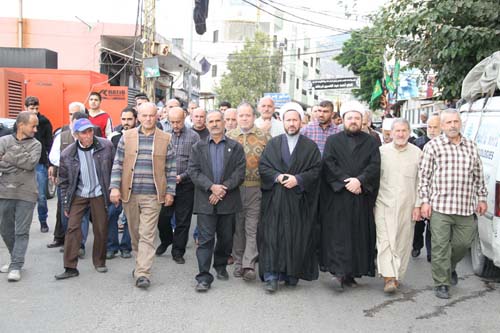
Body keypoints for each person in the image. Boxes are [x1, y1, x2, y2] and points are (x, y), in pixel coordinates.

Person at [418, 109, 487, 299]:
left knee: (463, 244)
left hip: (465, 207)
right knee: (440, 246)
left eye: (456, 121)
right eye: (448, 122)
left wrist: (481, 198)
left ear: (460, 123)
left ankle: (449, 267)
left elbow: (478, 176)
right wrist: (425, 201)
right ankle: (441, 283)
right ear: (442, 126)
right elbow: (424, 177)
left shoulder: (471, 147)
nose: (453, 125)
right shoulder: (433, 147)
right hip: (440, 207)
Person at [110, 102, 176, 289]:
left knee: (147, 234)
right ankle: (141, 261)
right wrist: (114, 187)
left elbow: (171, 168)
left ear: (157, 117)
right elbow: (118, 163)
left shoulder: (166, 138)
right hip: (130, 193)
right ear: (138, 117)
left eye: (151, 115)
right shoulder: (127, 136)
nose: (148, 119)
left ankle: (142, 273)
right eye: (144, 115)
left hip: (153, 196)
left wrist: (170, 191)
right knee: (135, 233)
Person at [258, 102, 322, 294]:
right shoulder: (273, 143)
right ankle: (271, 276)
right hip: (275, 199)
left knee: (295, 237)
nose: (292, 123)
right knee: (272, 237)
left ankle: (290, 273)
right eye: (288, 120)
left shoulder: (310, 147)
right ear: (283, 121)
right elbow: (263, 167)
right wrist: (277, 177)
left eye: (295, 120)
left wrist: (298, 179)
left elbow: (316, 170)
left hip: (298, 201)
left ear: (301, 122)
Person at [320, 100, 381, 291]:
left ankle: (352, 273)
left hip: (361, 197)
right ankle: (339, 273)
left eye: (357, 118)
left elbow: (374, 165)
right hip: (338, 196)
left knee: (358, 235)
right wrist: (347, 181)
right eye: (349, 118)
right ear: (343, 120)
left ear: (362, 121)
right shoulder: (333, 141)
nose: (353, 121)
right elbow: (329, 164)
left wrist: (360, 181)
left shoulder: (371, 141)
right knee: (339, 235)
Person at [188, 110, 246, 292]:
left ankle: (220, 265)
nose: (214, 124)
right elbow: (193, 171)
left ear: (224, 123)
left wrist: (222, 189)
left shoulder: (235, 147)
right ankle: (204, 277)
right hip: (206, 200)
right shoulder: (198, 147)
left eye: (217, 121)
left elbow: (239, 172)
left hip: (228, 200)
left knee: (225, 238)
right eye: (210, 121)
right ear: (206, 123)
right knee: (205, 240)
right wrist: (212, 187)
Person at [54, 118, 115, 280]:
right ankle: (70, 267)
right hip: (79, 194)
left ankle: (99, 262)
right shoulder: (67, 154)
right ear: (76, 135)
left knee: (101, 228)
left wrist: (115, 190)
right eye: (84, 133)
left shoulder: (106, 146)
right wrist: (66, 204)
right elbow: (64, 182)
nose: (88, 135)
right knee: (72, 228)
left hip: (99, 193)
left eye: (90, 131)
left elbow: (116, 168)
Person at [375, 119, 422, 293]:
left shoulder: (417, 153)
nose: (401, 134)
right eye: (397, 131)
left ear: (409, 133)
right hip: (383, 203)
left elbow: (421, 182)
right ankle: (389, 277)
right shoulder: (381, 152)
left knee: (402, 242)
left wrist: (418, 205)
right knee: (385, 241)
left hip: (408, 205)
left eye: (404, 131)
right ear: (391, 133)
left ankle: (397, 275)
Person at [227, 103, 270, 281]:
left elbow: (270, 163)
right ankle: (238, 262)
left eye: (248, 115)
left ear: (254, 116)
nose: (244, 118)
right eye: (241, 115)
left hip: (255, 188)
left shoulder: (265, 137)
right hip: (234, 189)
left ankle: (248, 264)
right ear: (237, 118)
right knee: (238, 227)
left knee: (252, 227)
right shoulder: (229, 136)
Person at [0, 111, 41, 282]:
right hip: (5, 192)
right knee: (5, 229)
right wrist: (16, 162)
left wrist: (7, 158)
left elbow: (30, 164)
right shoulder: (3, 141)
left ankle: (16, 265)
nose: (36, 129)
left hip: (26, 193)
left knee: (21, 231)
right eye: (33, 126)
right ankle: (14, 258)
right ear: (21, 125)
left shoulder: (36, 144)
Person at [155, 107, 200, 263]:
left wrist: (182, 176)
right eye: (172, 122)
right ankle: (166, 239)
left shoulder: (194, 137)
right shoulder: (164, 136)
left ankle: (178, 251)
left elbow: (196, 163)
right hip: (166, 185)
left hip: (186, 184)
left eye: (178, 122)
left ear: (185, 118)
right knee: (162, 218)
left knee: (182, 220)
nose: (175, 125)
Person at [47, 106, 92, 254]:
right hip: (65, 181)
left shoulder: (93, 137)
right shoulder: (62, 136)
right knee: (66, 213)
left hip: (85, 183)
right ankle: (69, 241)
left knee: (83, 215)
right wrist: (68, 163)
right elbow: (53, 156)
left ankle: (80, 245)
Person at [105, 107, 136, 260]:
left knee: (131, 216)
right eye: (123, 119)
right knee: (111, 214)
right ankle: (112, 246)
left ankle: (126, 247)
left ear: (135, 119)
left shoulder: (139, 136)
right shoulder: (114, 137)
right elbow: (111, 161)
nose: (126, 122)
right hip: (117, 181)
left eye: (129, 119)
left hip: (134, 183)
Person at [412, 114, 441, 262]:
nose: (432, 130)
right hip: (419, 188)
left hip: (437, 191)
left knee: (433, 223)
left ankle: (431, 252)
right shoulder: (418, 143)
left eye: (436, 127)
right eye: (430, 127)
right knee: (418, 223)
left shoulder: (445, 145)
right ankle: (416, 245)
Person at [24, 96, 53, 233]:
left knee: (41, 196)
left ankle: (43, 221)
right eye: (31, 108)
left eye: (36, 108)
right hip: (22, 165)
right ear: (26, 108)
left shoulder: (44, 122)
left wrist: (50, 164)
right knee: (23, 197)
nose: (34, 111)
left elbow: (49, 144)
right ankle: (23, 223)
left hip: (40, 164)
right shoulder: (20, 122)